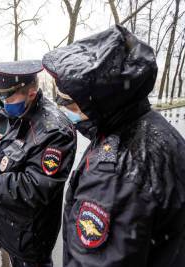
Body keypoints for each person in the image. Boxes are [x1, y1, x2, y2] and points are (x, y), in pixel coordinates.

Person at [42, 25, 185, 266]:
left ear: (101, 101)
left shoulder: (114, 173)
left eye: (68, 102)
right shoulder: (157, 128)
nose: (63, 109)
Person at [0, 60, 77, 266]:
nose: (3, 102)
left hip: (31, 234)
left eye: (7, 96)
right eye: (1, 96)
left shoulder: (54, 130)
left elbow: (32, 188)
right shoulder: (24, 113)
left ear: (31, 92)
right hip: (13, 226)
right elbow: (14, 145)